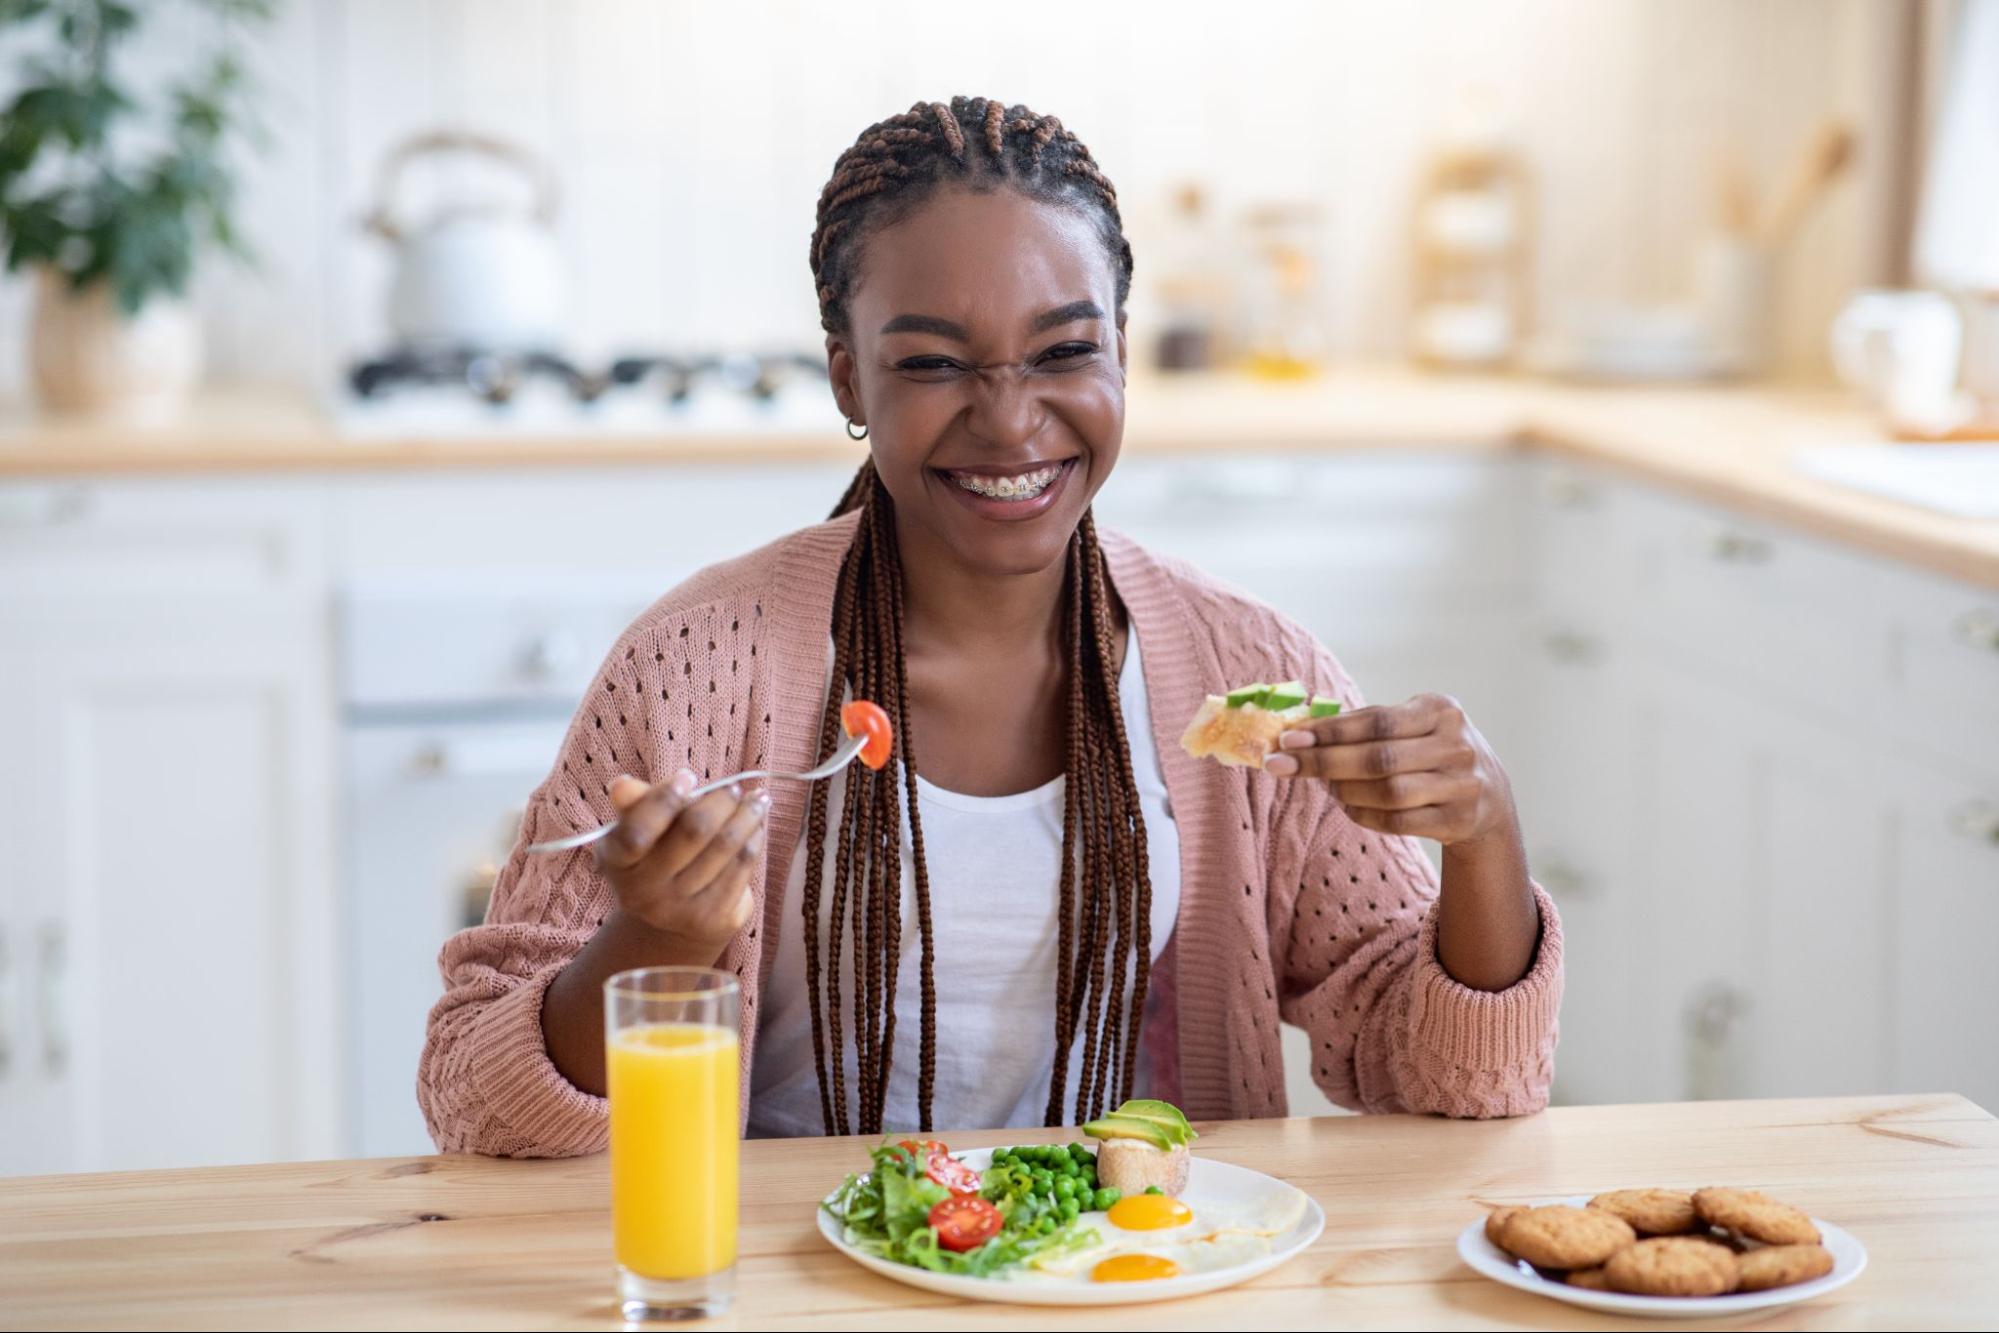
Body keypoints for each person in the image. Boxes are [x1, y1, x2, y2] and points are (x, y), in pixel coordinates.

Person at [418, 97, 1561, 1156]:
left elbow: (1453, 1082)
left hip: (1136, 1276)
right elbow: (474, 1097)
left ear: (1119, 346)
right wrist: (653, 943)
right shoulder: (696, 669)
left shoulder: (1245, 668)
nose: (1011, 420)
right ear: (848, 381)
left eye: (1065, 350)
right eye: (931, 363)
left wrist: (1485, 833)